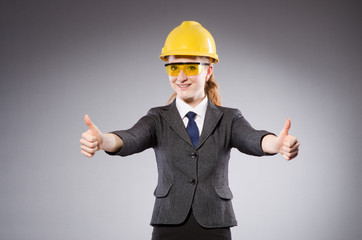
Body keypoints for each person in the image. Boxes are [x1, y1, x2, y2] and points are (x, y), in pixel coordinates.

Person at [80, 21, 300, 240]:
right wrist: (104, 141)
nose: (181, 77)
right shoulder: (157, 118)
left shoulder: (229, 118)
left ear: (209, 71)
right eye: (174, 67)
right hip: (168, 222)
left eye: (191, 67)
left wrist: (276, 144)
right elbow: (131, 137)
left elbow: (252, 139)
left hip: (215, 224)